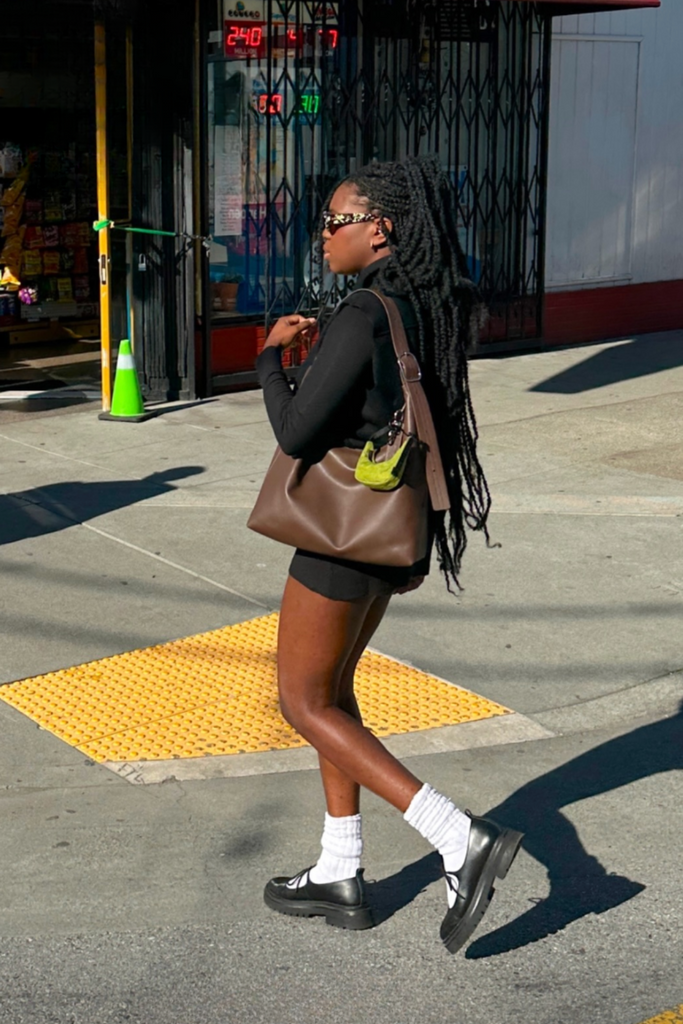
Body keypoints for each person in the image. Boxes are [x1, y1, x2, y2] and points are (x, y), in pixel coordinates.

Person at [254, 156, 523, 954]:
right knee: (333, 692)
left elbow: (297, 432)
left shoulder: (364, 310)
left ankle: (457, 837)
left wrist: (269, 358)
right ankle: (341, 869)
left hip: (339, 538)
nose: (323, 236)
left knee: (302, 701)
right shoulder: (416, 303)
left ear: (381, 227)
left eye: (334, 221)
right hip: (381, 534)